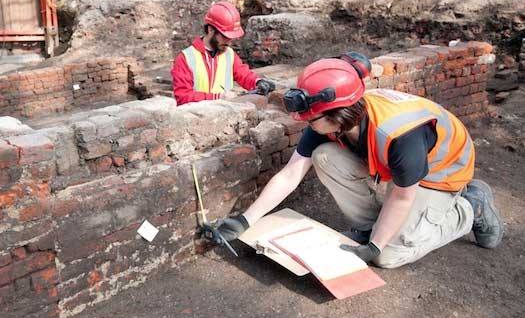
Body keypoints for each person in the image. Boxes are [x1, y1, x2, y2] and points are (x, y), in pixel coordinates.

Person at [216, 52, 504, 268]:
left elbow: (403, 197)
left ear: (337, 115)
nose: (305, 123)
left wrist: (376, 248)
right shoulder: (331, 120)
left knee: (390, 255)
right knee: (324, 156)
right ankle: (371, 228)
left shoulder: (400, 136)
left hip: (441, 171)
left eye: (310, 119)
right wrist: (244, 221)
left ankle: (470, 208)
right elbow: (291, 174)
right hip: (402, 167)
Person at [171, 1, 276, 106]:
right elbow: (183, 96)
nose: (229, 42)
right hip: (196, 119)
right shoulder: (186, 58)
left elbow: (243, 74)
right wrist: (217, 97)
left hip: (225, 117)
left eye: (231, 38)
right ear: (211, 29)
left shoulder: (229, 54)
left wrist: (257, 82)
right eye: (225, 37)